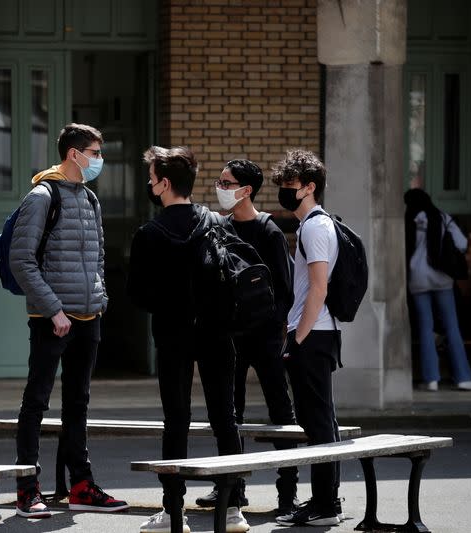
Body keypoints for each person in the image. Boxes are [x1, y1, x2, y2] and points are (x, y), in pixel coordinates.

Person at [128, 146, 249, 533]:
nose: (149, 183)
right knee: (225, 419)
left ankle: (172, 511)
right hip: (217, 333)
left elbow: (137, 296)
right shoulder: (218, 222)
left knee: (175, 419)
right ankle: (233, 509)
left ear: (164, 184)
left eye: (151, 178)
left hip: (172, 335)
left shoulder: (149, 234)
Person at [9, 123, 128, 518]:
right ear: (74, 154)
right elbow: (21, 260)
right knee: (36, 402)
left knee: (78, 403)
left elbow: (97, 256)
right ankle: (28, 488)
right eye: (95, 152)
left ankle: (81, 485)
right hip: (53, 319)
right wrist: (54, 309)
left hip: (88, 314)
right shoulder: (42, 195)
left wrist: (100, 296)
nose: (99, 160)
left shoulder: (91, 199)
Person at [193, 159, 299, 516]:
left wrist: (280, 329)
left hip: (265, 337)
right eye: (219, 180)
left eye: (227, 182)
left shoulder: (269, 231)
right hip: (230, 336)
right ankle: (231, 488)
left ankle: (288, 494)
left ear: (246, 190)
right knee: (229, 414)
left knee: (281, 415)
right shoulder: (219, 227)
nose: (220, 187)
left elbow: (285, 288)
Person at [270, 149, 342, 527]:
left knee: (317, 424)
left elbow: (318, 288)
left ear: (310, 188)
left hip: (313, 336)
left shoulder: (314, 227)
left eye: (291, 186)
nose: (285, 192)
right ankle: (327, 501)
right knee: (321, 422)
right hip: (318, 335)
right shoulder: (318, 224)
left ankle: (323, 506)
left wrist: (297, 337)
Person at [404, 187, 471, 391]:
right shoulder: (443, 217)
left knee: (425, 328)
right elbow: (463, 244)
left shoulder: (412, 218)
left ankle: (431, 379)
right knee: (452, 326)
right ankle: (464, 377)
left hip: (418, 277)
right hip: (443, 278)